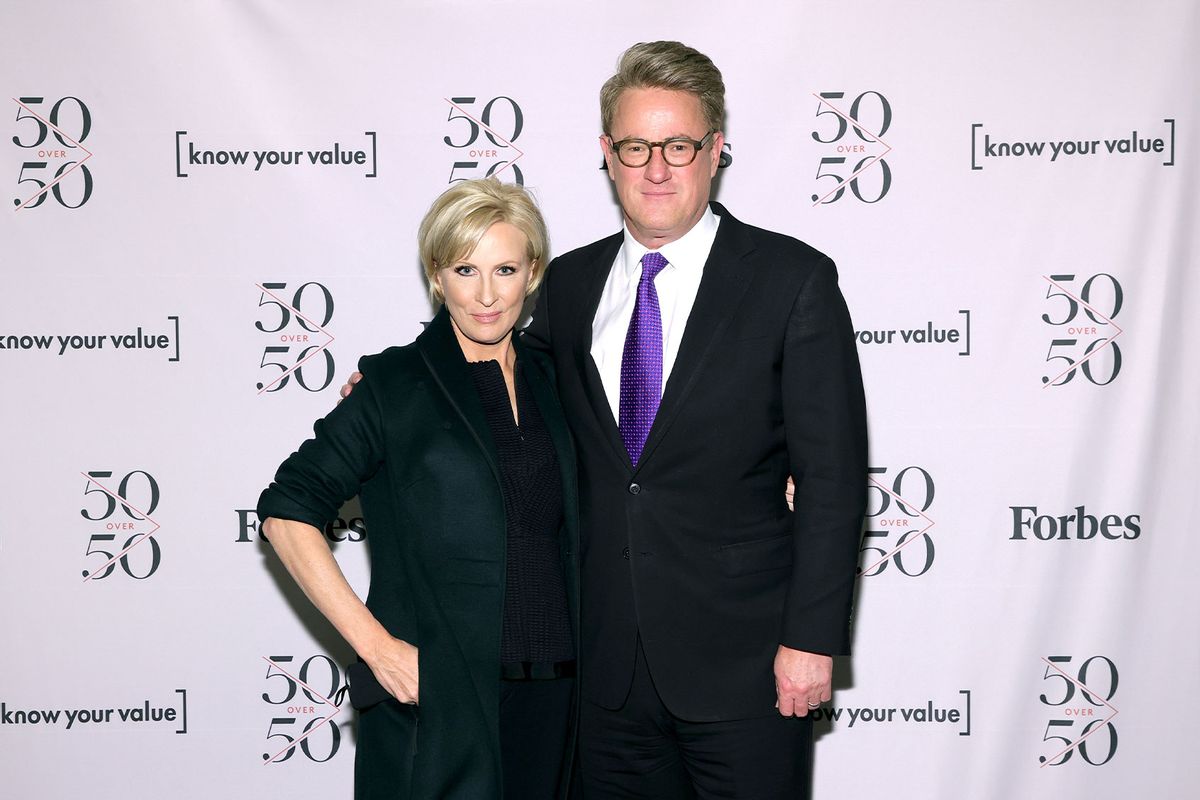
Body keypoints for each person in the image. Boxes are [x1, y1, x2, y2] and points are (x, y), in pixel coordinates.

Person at [521, 41, 867, 798]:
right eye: (636, 146)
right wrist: (398, 386)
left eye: (677, 145)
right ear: (607, 154)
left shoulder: (792, 280)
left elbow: (833, 479)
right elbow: (501, 383)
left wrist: (809, 642)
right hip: (603, 667)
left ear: (715, 151)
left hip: (746, 668)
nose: (655, 168)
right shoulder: (569, 285)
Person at [258, 178, 579, 800]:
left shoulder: (559, 380)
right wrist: (378, 650)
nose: (486, 294)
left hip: (559, 704)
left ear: (532, 273)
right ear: (437, 277)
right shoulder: (396, 384)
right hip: (441, 703)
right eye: (465, 269)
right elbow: (286, 512)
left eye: (505, 268)